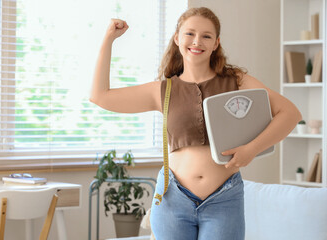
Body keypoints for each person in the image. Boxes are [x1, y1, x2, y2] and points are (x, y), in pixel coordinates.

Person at [90, 7, 301, 240]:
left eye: (206, 36)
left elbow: (290, 113)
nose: (197, 41)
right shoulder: (163, 90)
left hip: (224, 198)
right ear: (177, 38)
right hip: (172, 199)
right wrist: (109, 38)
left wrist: (251, 149)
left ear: (216, 43)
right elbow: (100, 96)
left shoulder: (237, 81)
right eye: (189, 33)